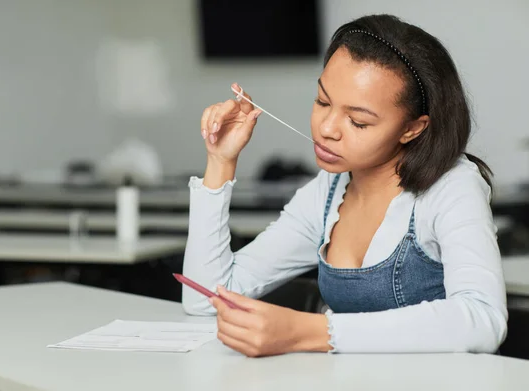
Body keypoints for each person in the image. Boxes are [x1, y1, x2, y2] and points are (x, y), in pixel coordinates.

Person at [182, 14, 507, 356]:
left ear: (413, 128)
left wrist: (312, 332)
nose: (327, 128)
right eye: (322, 101)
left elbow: (483, 318)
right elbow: (206, 298)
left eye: (358, 121)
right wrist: (220, 162)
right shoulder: (327, 191)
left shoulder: (451, 186)